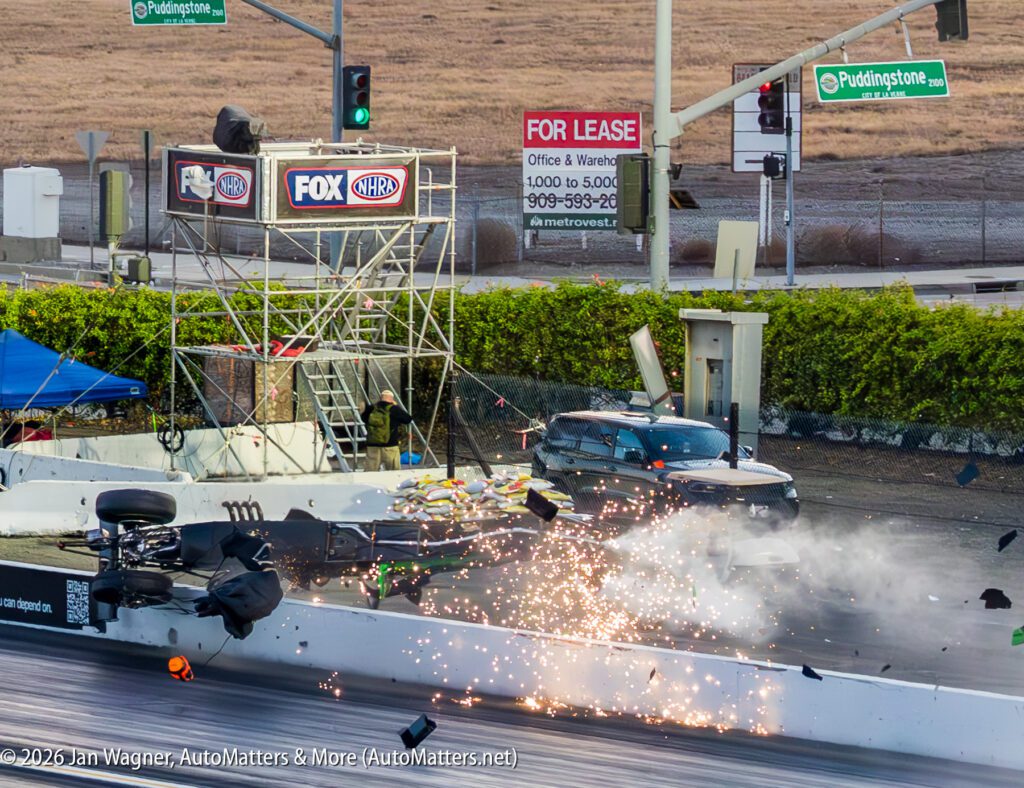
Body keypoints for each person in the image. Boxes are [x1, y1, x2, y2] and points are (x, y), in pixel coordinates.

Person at [361, 389, 412, 471]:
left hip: (372, 446)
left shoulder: (371, 409)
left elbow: (363, 418)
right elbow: (408, 419)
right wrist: (396, 406)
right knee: (394, 473)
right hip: (390, 446)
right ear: (391, 399)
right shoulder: (394, 409)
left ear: (380, 398)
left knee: (370, 473)